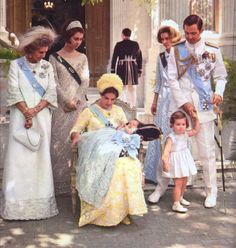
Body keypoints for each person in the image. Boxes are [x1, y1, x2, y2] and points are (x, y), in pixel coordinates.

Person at [70, 73, 147, 227]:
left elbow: (127, 128)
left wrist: (125, 129)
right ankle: (103, 214)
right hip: (96, 150)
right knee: (115, 167)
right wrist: (76, 137)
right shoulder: (89, 111)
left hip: (116, 148)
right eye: (106, 98)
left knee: (129, 165)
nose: (109, 102)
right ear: (100, 95)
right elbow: (76, 130)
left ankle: (122, 211)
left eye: (113, 99)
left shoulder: (119, 110)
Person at [168, 15, 227, 208]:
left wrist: (218, 93)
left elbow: (221, 76)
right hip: (182, 106)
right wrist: (184, 102)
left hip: (203, 105)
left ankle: (211, 191)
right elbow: (172, 79)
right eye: (186, 33)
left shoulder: (212, 50)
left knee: (207, 151)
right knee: (180, 148)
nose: (190, 36)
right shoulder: (177, 49)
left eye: (193, 33)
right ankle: (182, 189)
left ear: (201, 31)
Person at [0, 26, 59, 220]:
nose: (43, 55)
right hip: (20, 117)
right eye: (41, 52)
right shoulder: (16, 66)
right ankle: (16, 205)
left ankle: (40, 203)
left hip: (41, 118)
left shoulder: (47, 67)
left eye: (45, 52)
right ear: (30, 49)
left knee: (40, 159)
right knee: (18, 159)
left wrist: (34, 112)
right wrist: (26, 112)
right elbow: (14, 91)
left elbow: (51, 91)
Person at [49, 19, 89, 194]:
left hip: (79, 107)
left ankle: (77, 184)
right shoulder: (54, 57)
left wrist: (76, 100)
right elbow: (54, 83)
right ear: (67, 37)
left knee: (78, 144)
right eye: (75, 39)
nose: (78, 42)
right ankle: (59, 185)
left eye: (81, 39)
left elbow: (86, 81)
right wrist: (66, 101)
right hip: (61, 107)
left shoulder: (83, 57)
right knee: (59, 143)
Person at [143, 21, 182, 202]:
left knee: (177, 138)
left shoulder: (181, 53)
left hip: (178, 99)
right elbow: (158, 81)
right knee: (161, 137)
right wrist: (154, 101)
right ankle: (159, 178)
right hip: (164, 100)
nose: (166, 42)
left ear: (174, 37)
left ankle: (179, 180)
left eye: (168, 38)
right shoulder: (160, 57)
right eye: (163, 39)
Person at [162, 111, 200, 213]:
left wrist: (196, 119)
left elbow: (196, 130)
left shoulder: (185, 134)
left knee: (184, 181)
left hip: (184, 159)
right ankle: (176, 203)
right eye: (178, 124)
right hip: (177, 162)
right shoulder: (171, 137)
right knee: (178, 183)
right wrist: (165, 162)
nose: (181, 127)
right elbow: (166, 151)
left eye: (183, 124)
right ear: (172, 125)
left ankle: (180, 197)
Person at [111, 28, 142, 108]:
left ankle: (123, 106)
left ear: (122, 34)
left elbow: (114, 58)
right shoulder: (136, 44)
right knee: (132, 89)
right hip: (133, 67)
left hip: (122, 67)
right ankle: (133, 106)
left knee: (121, 87)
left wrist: (113, 71)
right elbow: (139, 58)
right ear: (130, 34)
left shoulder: (119, 44)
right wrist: (139, 70)